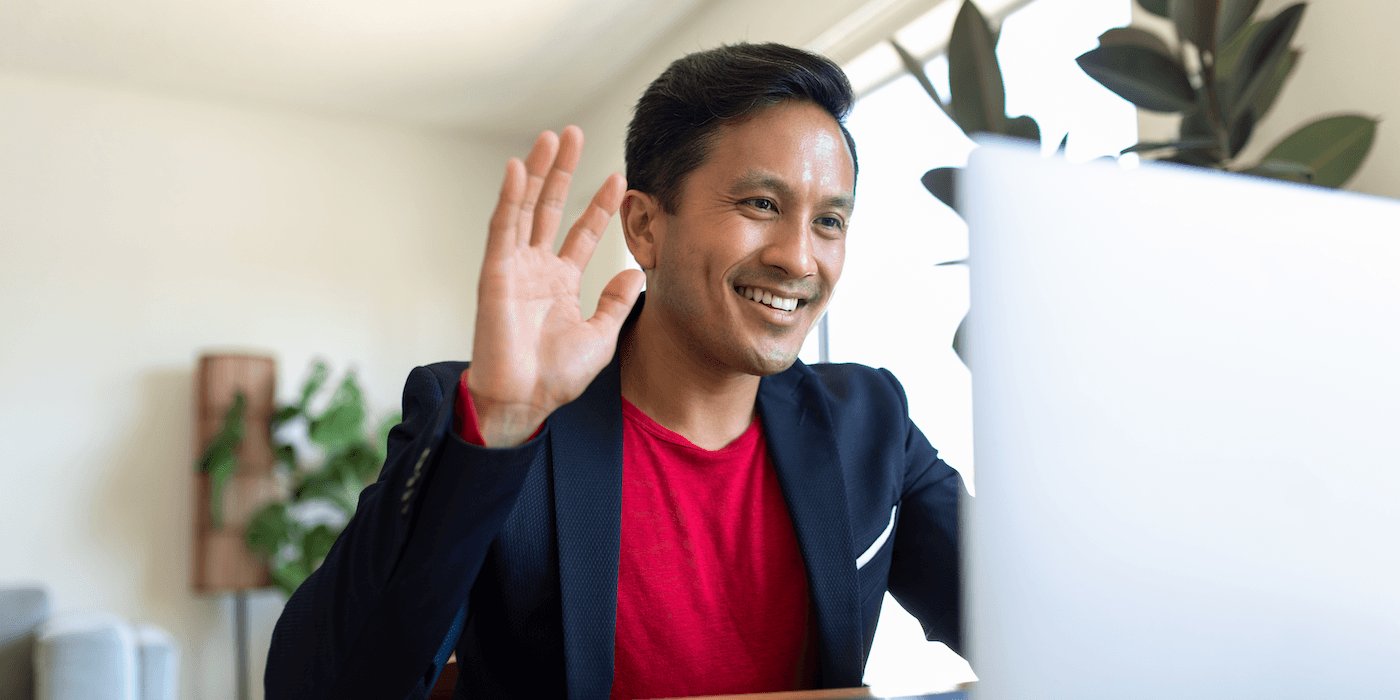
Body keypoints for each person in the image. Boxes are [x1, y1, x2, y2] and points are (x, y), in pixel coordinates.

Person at [265, 42, 964, 700]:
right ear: (644, 227)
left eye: (830, 222)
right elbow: (317, 688)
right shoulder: (500, 427)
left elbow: (1027, 616)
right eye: (761, 205)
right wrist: (498, 432)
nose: (799, 258)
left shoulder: (872, 425)